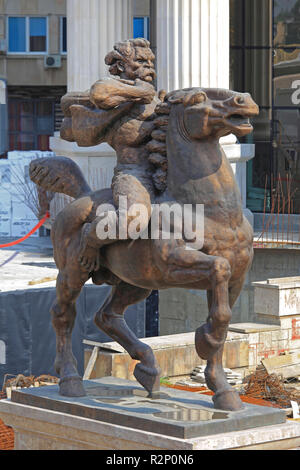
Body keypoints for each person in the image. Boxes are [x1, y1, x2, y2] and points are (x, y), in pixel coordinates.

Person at [59, 38, 163, 272]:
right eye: (139, 61)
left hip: (165, 171)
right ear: (121, 66)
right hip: (134, 174)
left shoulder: (151, 97)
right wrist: (138, 93)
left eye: (150, 61)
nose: (148, 67)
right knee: (131, 220)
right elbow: (98, 92)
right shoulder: (113, 97)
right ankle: (90, 240)